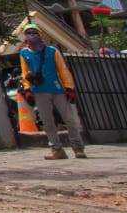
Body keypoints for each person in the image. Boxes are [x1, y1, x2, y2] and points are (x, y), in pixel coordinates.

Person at [18, 24, 86, 160]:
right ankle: (57, 149)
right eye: (28, 33)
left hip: (57, 89)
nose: (31, 35)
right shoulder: (24, 53)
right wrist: (27, 89)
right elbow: (25, 72)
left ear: (40, 34)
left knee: (69, 119)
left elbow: (63, 69)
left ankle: (78, 148)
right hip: (39, 90)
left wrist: (69, 87)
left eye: (34, 32)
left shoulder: (52, 51)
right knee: (47, 122)